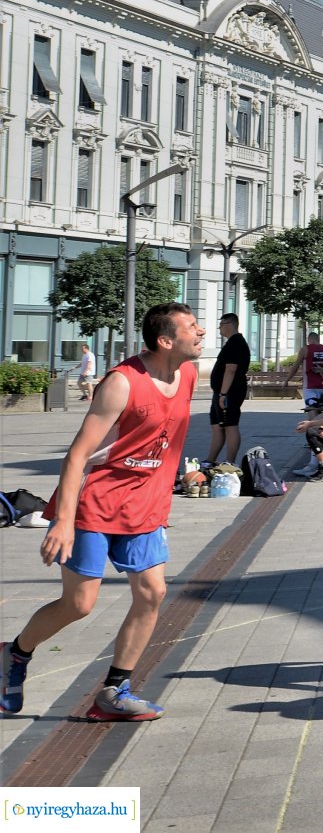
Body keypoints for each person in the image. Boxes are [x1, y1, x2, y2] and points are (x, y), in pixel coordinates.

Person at [2, 303, 202, 721]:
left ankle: (115, 691)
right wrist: (62, 521)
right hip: (96, 502)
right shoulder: (122, 383)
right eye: (191, 327)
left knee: (153, 593)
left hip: (145, 506)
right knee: (79, 604)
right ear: (165, 341)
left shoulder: (187, 374)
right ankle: (14, 655)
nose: (200, 331)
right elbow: (76, 455)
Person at [207, 313, 250, 466]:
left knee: (230, 425)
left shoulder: (236, 343)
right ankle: (210, 460)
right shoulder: (231, 342)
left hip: (229, 392)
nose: (219, 328)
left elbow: (230, 370)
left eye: (221, 324)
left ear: (230, 324)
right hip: (220, 391)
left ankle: (230, 462)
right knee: (217, 426)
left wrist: (223, 394)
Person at [301, 329, 323, 411]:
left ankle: (312, 423)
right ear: (318, 339)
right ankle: (318, 423)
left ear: (309, 339)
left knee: (312, 407)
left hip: (309, 384)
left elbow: (295, 366)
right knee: (319, 407)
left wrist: (287, 380)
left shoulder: (305, 349)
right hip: (322, 384)